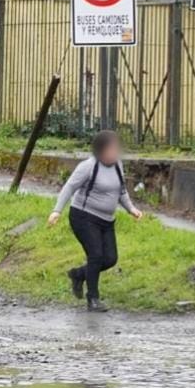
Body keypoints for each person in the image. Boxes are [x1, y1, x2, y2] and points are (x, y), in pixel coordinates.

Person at [47, 130, 143, 312]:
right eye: (111, 148)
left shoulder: (117, 166)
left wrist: (131, 209)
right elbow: (69, 187)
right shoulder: (88, 166)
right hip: (83, 217)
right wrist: (56, 211)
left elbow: (121, 191)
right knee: (96, 255)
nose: (115, 152)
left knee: (110, 259)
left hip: (107, 220)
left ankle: (78, 274)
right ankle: (93, 299)